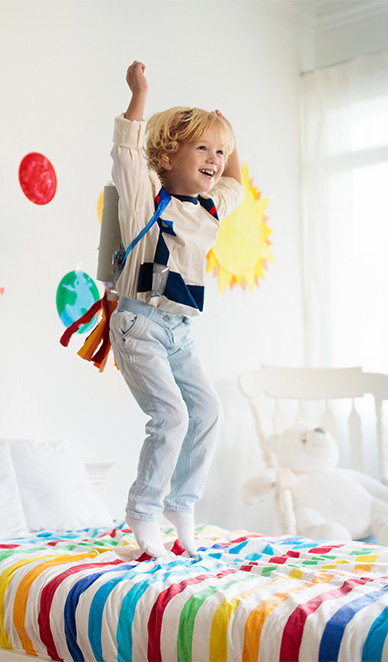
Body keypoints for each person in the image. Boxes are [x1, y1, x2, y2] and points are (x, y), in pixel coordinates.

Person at [110, 61, 244, 558]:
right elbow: (127, 151)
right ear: (167, 156)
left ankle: (180, 503)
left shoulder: (209, 208)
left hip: (180, 330)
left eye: (219, 152)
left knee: (207, 411)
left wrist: (230, 138)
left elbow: (235, 183)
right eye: (203, 149)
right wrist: (139, 95)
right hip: (139, 324)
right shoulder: (144, 200)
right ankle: (143, 511)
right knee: (170, 416)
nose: (215, 160)